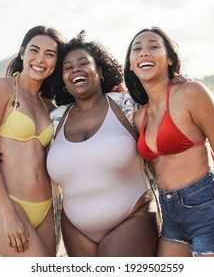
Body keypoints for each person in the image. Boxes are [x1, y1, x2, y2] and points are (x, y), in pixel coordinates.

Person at [123, 26, 214, 257]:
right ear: (131, 64)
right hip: (169, 215)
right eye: (137, 49)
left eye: (153, 46)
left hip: (207, 208)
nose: (144, 52)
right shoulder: (139, 116)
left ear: (170, 59)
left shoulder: (191, 93)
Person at [46, 31, 159, 257]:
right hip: (75, 230)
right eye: (67, 67)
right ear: (63, 79)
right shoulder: (55, 118)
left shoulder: (128, 103)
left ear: (99, 70)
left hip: (131, 219)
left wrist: (179, 79)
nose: (75, 69)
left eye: (83, 63)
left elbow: (166, 101)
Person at [0, 25, 64, 256]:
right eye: (34, 50)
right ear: (22, 53)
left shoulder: (49, 106)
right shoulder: (0, 88)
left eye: (50, 54)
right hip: (13, 205)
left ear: (55, 62)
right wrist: (8, 214)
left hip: (47, 208)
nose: (40, 59)